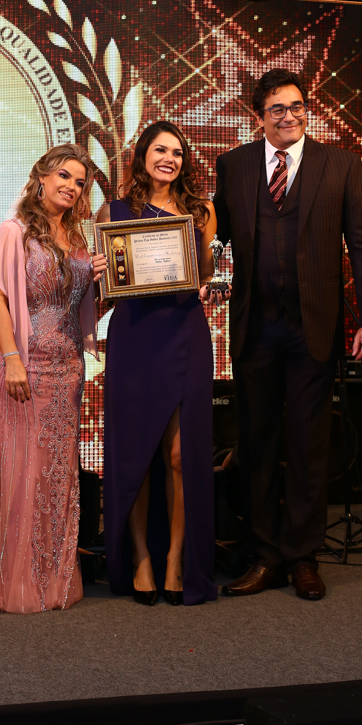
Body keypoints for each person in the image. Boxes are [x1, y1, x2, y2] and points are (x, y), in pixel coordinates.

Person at [214, 68, 362, 601]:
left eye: (296, 107)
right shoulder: (234, 165)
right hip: (255, 326)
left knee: (310, 444)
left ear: (306, 109)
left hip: (314, 325)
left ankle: (303, 555)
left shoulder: (341, 164)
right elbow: (216, 240)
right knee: (257, 443)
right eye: (277, 109)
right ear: (259, 116)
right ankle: (266, 555)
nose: (289, 117)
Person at [0, 144, 107, 615]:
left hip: (67, 367)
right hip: (23, 363)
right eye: (64, 176)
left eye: (80, 181)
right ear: (42, 177)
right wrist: (12, 358)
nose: (72, 186)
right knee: (22, 469)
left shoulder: (78, 238)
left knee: (56, 471)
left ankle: (48, 575)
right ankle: (12, 577)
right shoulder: (14, 231)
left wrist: (99, 279)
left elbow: (77, 307)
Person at [98, 121, 221, 607]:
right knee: (136, 453)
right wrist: (102, 272)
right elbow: (106, 291)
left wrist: (207, 273)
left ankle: (175, 559)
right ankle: (141, 557)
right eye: (160, 150)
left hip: (185, 332)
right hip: (134, 335)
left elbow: (205, 273)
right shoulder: (114, 212)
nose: (169, 158)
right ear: (142, 156)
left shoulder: (200, 211)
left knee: (179, 456)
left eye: (177, 152)